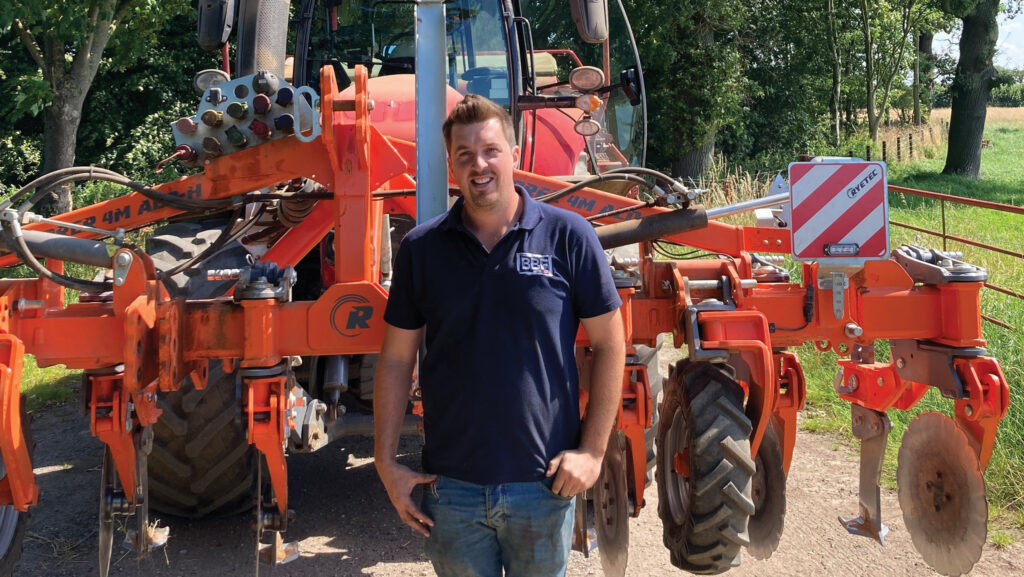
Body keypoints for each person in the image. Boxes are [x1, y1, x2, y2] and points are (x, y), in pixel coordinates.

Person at [374, 93, 625, 577]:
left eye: (490, 149)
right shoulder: (422, 250)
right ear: (450, 164)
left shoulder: (569, 237)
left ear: (515, 152)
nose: (479, 164)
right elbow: (396, 359)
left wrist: (593, 452)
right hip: (453, 489)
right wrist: (385, 462)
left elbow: (611, 343)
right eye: (464, 155)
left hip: (543, 485)